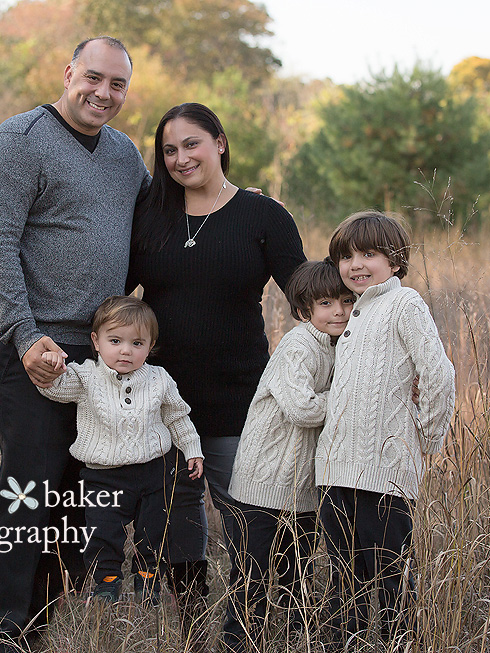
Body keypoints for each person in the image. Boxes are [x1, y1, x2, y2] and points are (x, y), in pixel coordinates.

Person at [0, 36, 150, 651]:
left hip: (101, 356)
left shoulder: (125, 155)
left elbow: (163, 217)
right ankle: (1, 631)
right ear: (68, 71)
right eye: (93, 78)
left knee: (77, 499)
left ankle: (38, 629)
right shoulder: (18, 141)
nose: (104, 93)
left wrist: (237, 204)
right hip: (34, 350)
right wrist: (23, 335)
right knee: (31, 488)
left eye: (118, 85)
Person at [127, 102, 307, 630]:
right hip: (162, 404)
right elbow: (117, 294)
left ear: (220, 142)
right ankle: (193, 629)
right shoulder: (151, 217)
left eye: (192, 144)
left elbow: (306, 293)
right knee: (175, 529)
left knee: (253, 524)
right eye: (169, 150)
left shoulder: (263, 216)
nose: (181, 158)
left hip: (240, 399)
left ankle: (244, 628)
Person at [315, 211, 456, 648]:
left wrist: (428, 437)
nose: (356, 264)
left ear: (395, 261)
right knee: (343, 581)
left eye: (369, 254)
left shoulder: (403, 303)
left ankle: (399, 643)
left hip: (386, 475)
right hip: (336, 473)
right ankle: (348, 643)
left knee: (393, 577)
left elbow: (438, 373)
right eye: (347, 256)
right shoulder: (350, 312)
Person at [222, 260, 355, 652]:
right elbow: (303, 408)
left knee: (297, 577)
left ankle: (299, 642)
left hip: (302, 489)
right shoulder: (299, 346)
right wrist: (346, 399)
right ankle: (238, 644)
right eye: (327, 303)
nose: (339, 312)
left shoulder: (337, 346)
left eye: (347, 302)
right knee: (252, 578)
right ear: (304, 310)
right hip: (263, 486)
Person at [37, 296, 205, 604]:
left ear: (150, 345)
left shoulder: (159, 379)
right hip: (104, 477)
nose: (126, 350)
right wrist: (52, 366)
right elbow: (54, 388)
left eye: (137, 343)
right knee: (103, 532)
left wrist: (192, 448)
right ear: (96, 342)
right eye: (115, 341)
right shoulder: (86, 376)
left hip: (154, 472)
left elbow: (177, 415)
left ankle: (146, 578)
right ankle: (107, 582)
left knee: (153, 530)